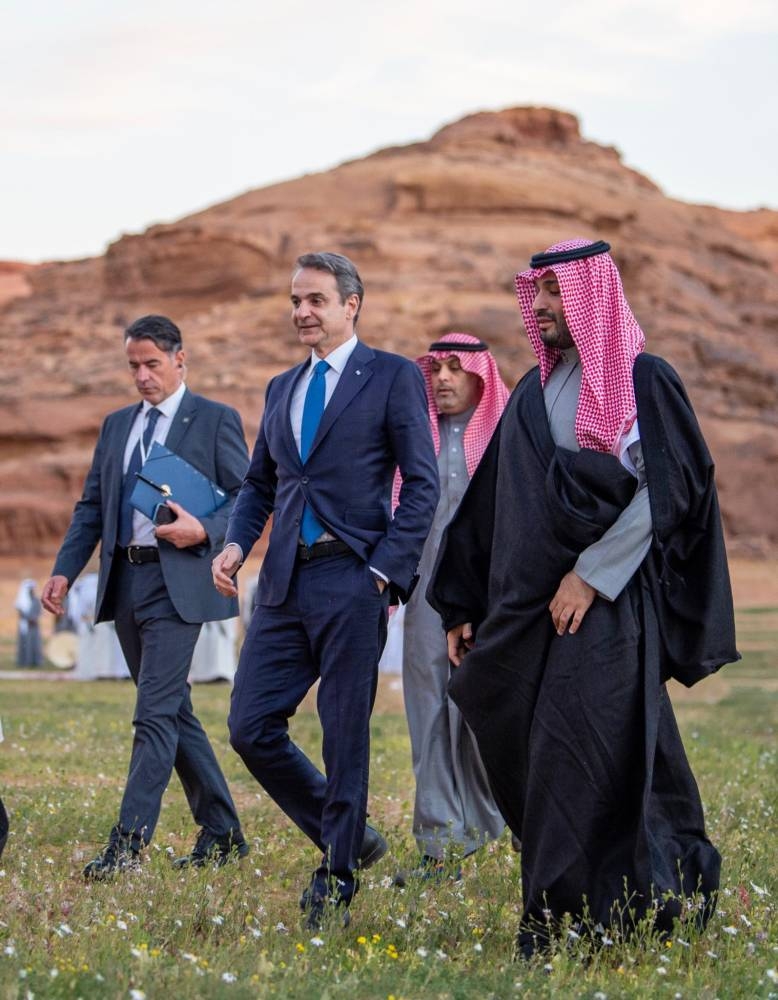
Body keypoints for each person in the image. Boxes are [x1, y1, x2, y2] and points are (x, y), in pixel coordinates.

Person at [428, 239, 739, 958]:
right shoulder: (532, 393)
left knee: (579, 755)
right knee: (564, 750)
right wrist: (463, 603)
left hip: (608, 610)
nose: (540, 306)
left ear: (591, 295)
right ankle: (641, 892)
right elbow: (493, 504)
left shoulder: (642, 378)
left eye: (556, 292)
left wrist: (593, 573)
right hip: (529, 613)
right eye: (536, 292)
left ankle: (557, 919)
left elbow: (671, 487)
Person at [212, 251, 439, 929]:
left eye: (315, 299)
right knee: (250, 725)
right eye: (295, 300)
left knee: (344, 736)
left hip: (353, 577)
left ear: (351, 304)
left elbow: (421, 483)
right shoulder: (281, 387)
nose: (302, 312)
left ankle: (336, 874)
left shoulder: (392, 376)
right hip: (282, 582)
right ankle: (352, 836)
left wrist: (383, 571)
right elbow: (260, 484)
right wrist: (235, 544)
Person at [42, 314, 250, 879]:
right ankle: (223, 831)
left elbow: (247, 498)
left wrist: (204, 530)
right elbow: (91, 506)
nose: (141, 375)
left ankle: (127, 847)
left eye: (152, 364)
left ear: (180, 359)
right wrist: (64, 570)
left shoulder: (215, 419)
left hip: (180, 583)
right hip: (126, 582)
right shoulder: (116, 426)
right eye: (133, 365)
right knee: (172, 709)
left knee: (153, 714)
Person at [394, 333, 509, 883]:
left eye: (455, 368)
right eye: (436, 367)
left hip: (492, 598)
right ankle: (441, 841)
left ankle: (498, 821)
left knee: (485, 711)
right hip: (425, 600)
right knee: (429, 714)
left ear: (481, 376)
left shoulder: (507, 437)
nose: (442, 378)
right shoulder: (414, 439)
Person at [14, 579, 43, 667]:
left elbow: (39, 611)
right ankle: (24, 662)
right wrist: (28, 619)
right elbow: (21, 613)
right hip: (25, 625)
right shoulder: (21, 602)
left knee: (34, 643)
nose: (31, 590)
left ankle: (35, 661)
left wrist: (34, 618)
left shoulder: (36, 600)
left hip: (34, 625)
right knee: (25, 642)